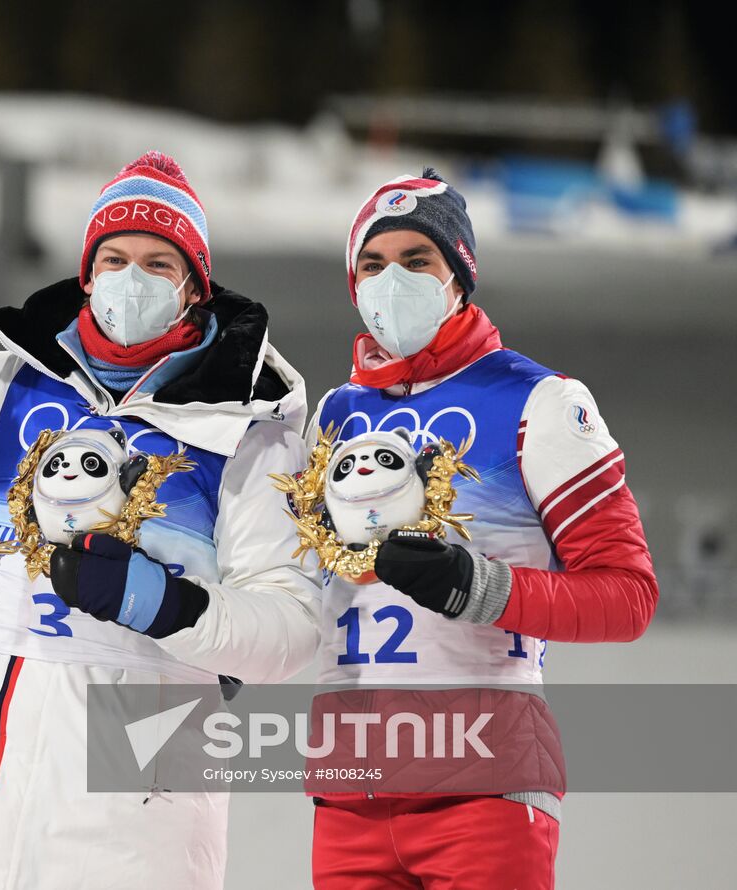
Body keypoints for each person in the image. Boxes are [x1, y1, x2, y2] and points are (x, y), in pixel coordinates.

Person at [0, 128, 320, 889]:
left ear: (193, 285)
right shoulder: (10, 390)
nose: (130, 279)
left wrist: (164, 605)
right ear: (86, 274)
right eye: (113, 259)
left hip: (134, 813)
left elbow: (292, 629)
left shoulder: (247, 432)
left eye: (157, 263)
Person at [304, 168, 659, 889]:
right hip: (348, 798)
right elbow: (297, 586)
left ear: (458, 276)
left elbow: (627, 596)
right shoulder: (333, 417)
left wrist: (477, 588)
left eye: (416, 261)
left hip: (483, 790)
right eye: (372, 264)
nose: (391, 280)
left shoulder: (540, 401)